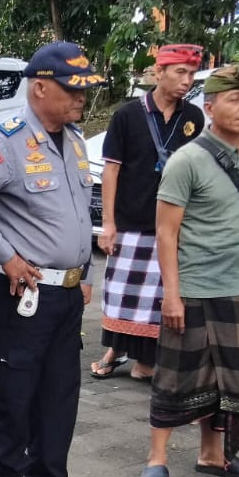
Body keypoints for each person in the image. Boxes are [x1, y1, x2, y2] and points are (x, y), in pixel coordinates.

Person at [0, 41, 104, 477]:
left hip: (65, 294)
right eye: (72, 90)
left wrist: (81, 273)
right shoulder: (6, 141)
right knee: (15, 395)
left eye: (85, 90)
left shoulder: (75, 140)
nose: (82, 99)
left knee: (60, 394)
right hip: (21, 294)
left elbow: (76, 215)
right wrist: (7, 256)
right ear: (39, 87)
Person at [140, 67, 239, 477]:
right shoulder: (187, 160)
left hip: (237, 285)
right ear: (210, 106)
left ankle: (213, 455)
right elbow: (167, 233)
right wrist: (172, 295)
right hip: (193, 285)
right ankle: (156, 459)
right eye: (235, 99)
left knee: (229, 377)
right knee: (177, 374)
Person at [91, 43, 205, 383]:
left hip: (174, 223)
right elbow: (111, 171)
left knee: (162, 294)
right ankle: (115, 350)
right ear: (160, 73)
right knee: (122, 294)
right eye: (180, 72)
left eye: (191, 74)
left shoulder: (193, 118)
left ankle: (148, 360)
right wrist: (108, 224)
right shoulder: (128, 115)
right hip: (131, 219)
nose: (187, 80)